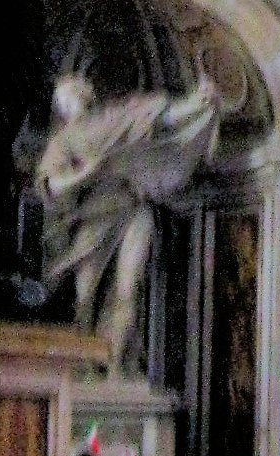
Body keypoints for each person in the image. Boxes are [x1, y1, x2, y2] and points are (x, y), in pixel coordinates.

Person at [36, 74, 221, 375]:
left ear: (88, 93)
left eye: (75, 94)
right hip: (92, 221)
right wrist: (87, 173)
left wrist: (197, 102)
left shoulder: (117, 117)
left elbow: (163, 120)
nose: (71, 102)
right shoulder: (63, 141)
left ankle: (118, 367)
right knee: (85, 296)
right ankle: (85, 367)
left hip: (133, 209)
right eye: (64, 100)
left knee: (130, 288)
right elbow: (52, 186)